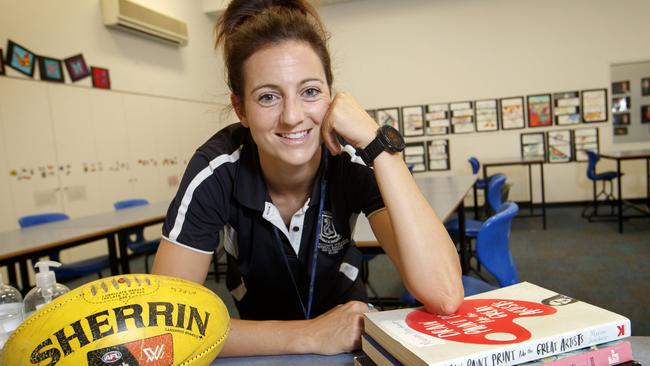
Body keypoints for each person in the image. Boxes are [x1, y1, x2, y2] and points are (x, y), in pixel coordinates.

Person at [152, 0, 463, 357]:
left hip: (350, 339)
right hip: (257, 350)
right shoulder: (216, 170)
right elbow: (166, 329)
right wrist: (309, 335)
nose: (292, 116)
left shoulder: (351, 160)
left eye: (310, 91)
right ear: (241, 110)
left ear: (332, 96)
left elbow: (445, 294)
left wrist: (378, 145)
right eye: (268, 97)